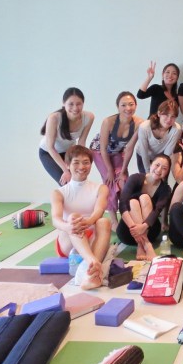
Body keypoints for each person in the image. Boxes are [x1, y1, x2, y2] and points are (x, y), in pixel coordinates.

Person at [51, 145, 111, 290]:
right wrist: (69, 226)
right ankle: (92, 263)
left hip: (91, 237)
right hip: (68, 240)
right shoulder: (59, 193)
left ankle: (91, 275)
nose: (81, 167)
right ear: (68, 165)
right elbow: (55, 219)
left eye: (86, 162)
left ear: (91, 164)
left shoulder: (101, 188)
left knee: (104, 221)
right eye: (76, 162)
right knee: (73, 217)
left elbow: (99, 211)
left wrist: (88, 221)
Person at [90, 92, 143, 229]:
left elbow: (129, 148)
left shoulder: (139, 123)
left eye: (131, 104)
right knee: (110, 182)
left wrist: (124, 170)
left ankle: (127, 215)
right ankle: (114, 220)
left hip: (119, 152)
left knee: (123, 181)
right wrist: (109, 169)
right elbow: (103, 148)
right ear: (118, 107)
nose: (128, 108)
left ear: (136, 105)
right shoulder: (108, 122)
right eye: (123, 105)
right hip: (99, 152)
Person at [117, 155, 172, 260]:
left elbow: (156, 211)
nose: (159, 170)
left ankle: (142, 244)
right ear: (150, 164)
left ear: (167, 172)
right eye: (157, 165)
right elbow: (122, 204)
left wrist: (143, 227)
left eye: (164, 168)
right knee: (133, 202)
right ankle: (146, 244)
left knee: (145, 198)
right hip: (128, 231)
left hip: (150, 230)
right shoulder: (135, 178)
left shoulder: (166, 189)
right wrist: (135, 228)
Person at [39, 88, 94, 185]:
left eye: (79, 104)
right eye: (71, 104)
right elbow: (50, 147)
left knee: (78, 180)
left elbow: (81, 142)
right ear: (64, 103)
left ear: (83, 103)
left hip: (68, 153)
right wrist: (66, 170)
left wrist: (81, 162)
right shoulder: (54, 118)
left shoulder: (89, 117)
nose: (75, 108)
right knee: (66, 182)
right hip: (48, 153)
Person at [132, 99, 180, 173]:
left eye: (173, 116)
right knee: (145, 176)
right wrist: (148, 172)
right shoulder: (144, 127)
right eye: (166, 115)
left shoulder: (176, 129)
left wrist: (160, 167)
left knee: (160, 176)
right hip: (143, 155)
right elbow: (144, 151)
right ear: (159, 113)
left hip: (161, 157)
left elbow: (167, 154)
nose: (169, 119)